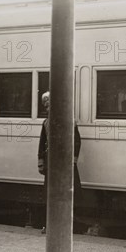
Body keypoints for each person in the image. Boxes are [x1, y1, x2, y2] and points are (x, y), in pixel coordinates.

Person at [37, 91, 82, 234]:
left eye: (50, 104)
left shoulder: (70, 122)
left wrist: (73, 160)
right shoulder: (46, 123)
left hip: (65, 163)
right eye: (46, 106)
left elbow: (77, 142)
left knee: (68, 195)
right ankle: (50, 225)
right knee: (50, 195)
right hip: (51, 163)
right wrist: (41, 162)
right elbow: (42, 143)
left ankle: (68, 225)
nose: (48, 108)